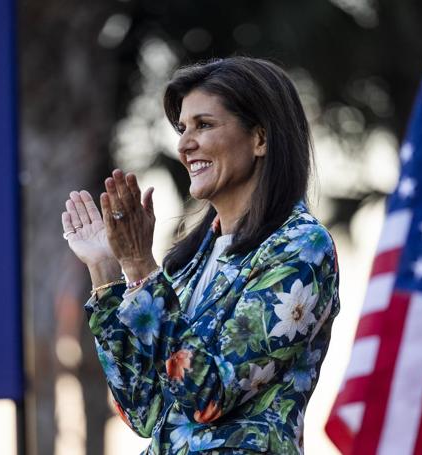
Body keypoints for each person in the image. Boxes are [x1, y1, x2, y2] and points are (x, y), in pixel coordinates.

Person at [61, 57, 340, 454]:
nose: (184, 144)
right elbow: (145, 410)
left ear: (260, 138)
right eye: (182, 128)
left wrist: (141, 266)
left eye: (204, 125)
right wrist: (107, 270)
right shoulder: (189, 264)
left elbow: (208, 395)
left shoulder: (300, 247)